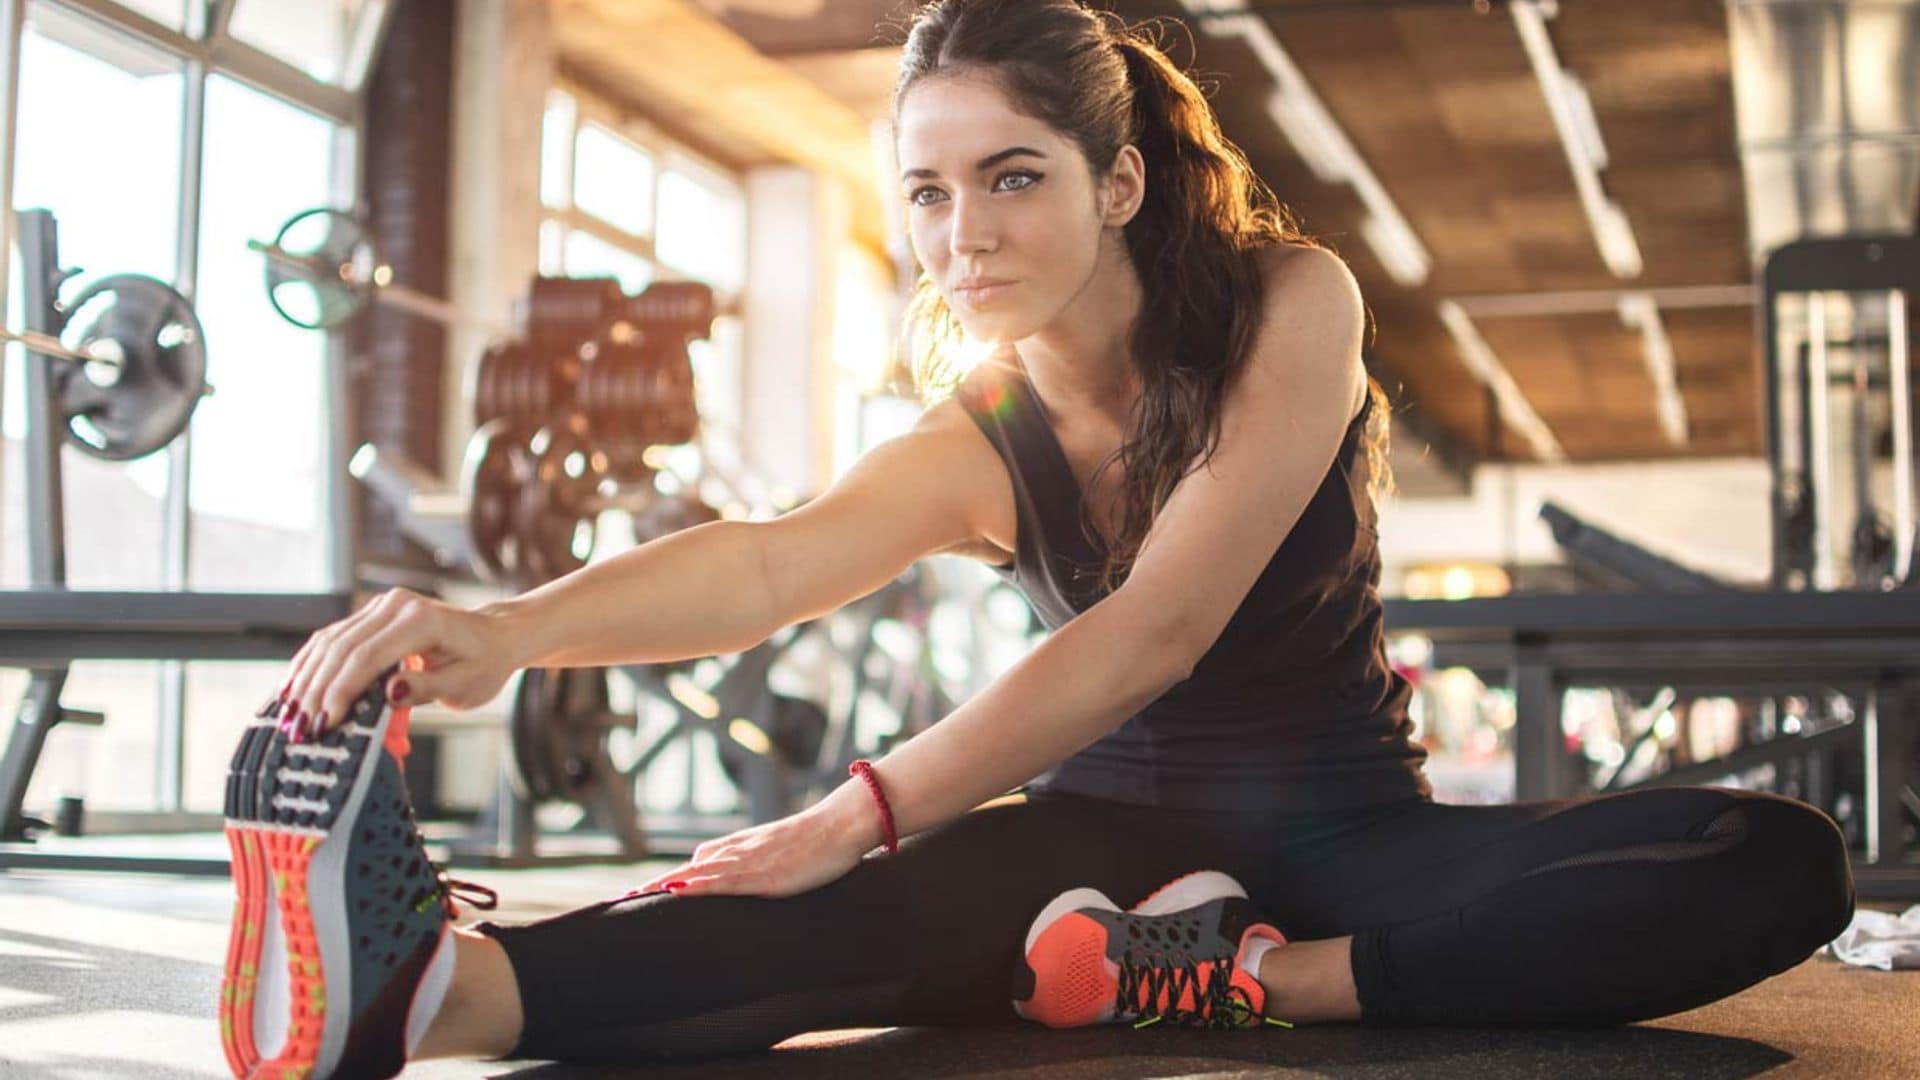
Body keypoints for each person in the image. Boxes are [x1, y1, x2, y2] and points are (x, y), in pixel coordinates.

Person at [218, 1, 1856, 1075]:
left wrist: (864, 806)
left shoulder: (1299, 306)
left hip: (1353, 835)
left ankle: (1226, 978)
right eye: (925, 195)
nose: (962, 236)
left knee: (1770, 863)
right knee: (822, 928)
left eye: (1010, 178)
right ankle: (434, 986)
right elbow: (774, 560)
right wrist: (509, 630)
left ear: (1121, 180)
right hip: (1097, 839)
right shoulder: (977, 437)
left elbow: (1155, 627)